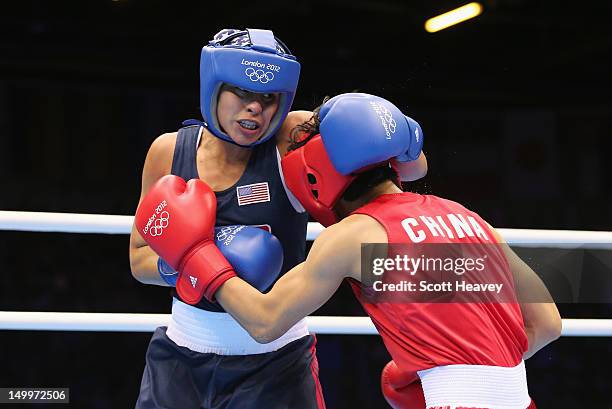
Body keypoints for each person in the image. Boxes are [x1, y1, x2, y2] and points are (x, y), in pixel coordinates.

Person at [135, 92, 561, 408]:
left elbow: (264, 322)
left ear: (319, 171)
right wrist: (471, 379)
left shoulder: (354, 236)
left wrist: (196, 255)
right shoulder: (468, 218)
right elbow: (547, 323)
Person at [129, 29, 430, 408]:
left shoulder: (292, 138)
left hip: (276, 365)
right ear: (214, 87)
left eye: (268, 97)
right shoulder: (169, 152)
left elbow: (414, 167)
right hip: (178, 359)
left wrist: (394, 131)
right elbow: (139, 260)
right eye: (242, 91)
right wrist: (195, 260)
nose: (255, 107)